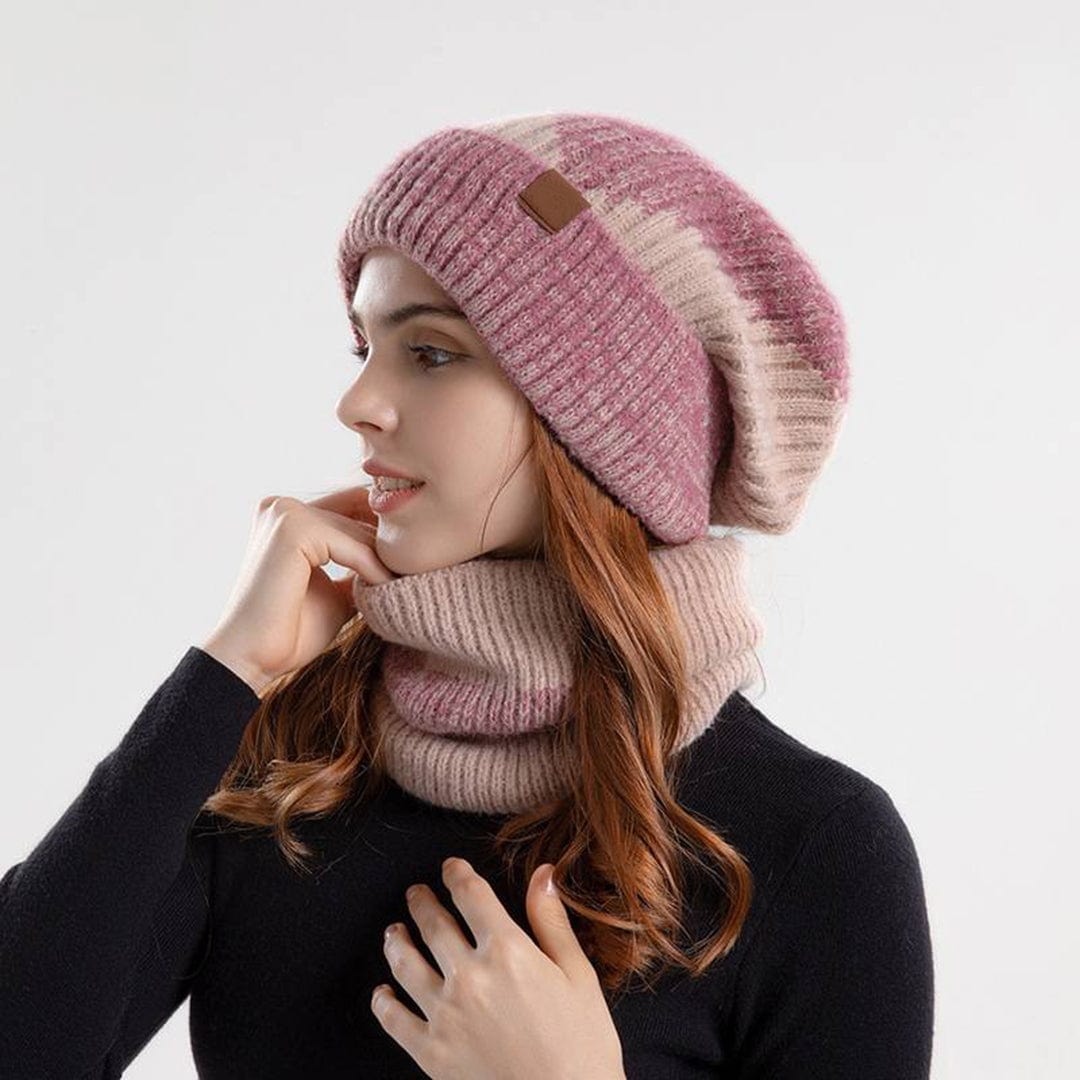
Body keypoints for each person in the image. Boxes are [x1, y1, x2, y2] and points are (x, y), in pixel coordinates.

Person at [0, 112, 934, 1078]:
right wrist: (228, 670)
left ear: (603, 425)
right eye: (363, 347)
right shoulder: (289, 761)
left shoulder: (814, 845)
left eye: (432, 352)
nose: (357, 404)